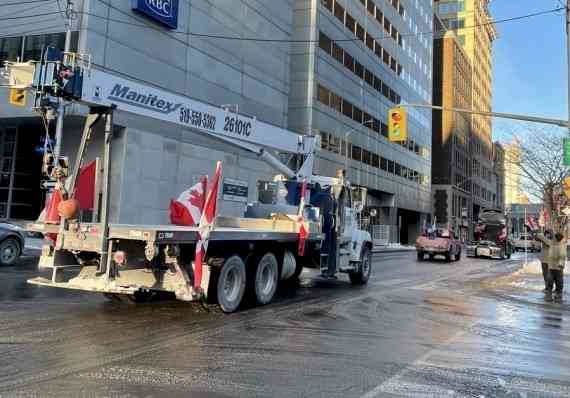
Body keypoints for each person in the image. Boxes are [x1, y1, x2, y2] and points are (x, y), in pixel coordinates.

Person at [536, 231, 566, 301]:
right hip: (552, 267)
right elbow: (543, 239)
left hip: (558, 267)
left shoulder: (559, 245)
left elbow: (562, 255)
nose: (553, 238)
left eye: (554, 237)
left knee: (558, 282)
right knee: (551, 281)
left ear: (556, 238)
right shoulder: (552, 243)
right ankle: (550, 296)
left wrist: (561, 264)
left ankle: (558, 295)